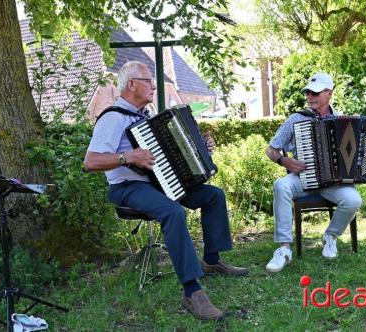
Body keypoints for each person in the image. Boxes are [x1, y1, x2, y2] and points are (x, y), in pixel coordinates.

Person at [84, 61, 248, 320]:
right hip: (128, 187)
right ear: (132, 84)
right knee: (173, 212)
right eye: (148, 81)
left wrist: (200, 149)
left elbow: (169, 154)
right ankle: (192, 292)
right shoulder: (113, 117)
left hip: (158, 182)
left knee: (212, 195)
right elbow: (91, 161)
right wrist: (128, 157)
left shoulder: (146, 116)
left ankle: (212, 261)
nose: (152, 86)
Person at [265, 72, 366, 273]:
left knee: (354, 201)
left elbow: (364, 158)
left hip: (334, 184)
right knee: (281, 185)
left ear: (329, 93)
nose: (310, 96)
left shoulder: (345, 121)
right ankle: (283, 249)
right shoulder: (296, 119)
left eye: (315, 92)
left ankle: (330, 236)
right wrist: (284, 160)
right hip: (302, 178)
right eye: (308, 92)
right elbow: (271, 149)